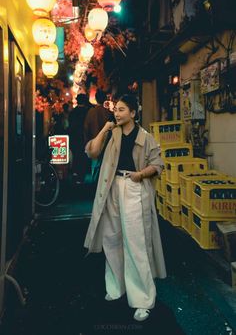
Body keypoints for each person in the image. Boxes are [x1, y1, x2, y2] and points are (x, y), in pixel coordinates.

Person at [84, 94, 166, 321]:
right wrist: (104, 129)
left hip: (134, 187)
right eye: (116, 110)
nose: (117, 113)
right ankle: (116, 287)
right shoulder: (111, 134)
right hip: (112, 188)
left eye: (122, 110)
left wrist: (140, 175)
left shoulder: (145, 137)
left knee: (136, 243)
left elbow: (158, 164)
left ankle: (142, 299)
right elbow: (92, 152)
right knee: (112, 239)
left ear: (133, 113)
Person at [84, 89, 113, 183]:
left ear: (96, 99)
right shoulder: (109, 112)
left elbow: (86, 128)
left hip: (95, 142)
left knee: (95, 166)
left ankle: (96, 184)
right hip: (108, 143)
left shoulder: (91, 112)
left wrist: (88, 143)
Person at [68, 93, 90, 183]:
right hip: (84, 137)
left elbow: (70, 125)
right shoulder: (88, 111)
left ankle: (76, 172)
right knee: (83, 155)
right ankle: (82, 174)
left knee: (76, 155)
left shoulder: (73, 112)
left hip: (74, 137)